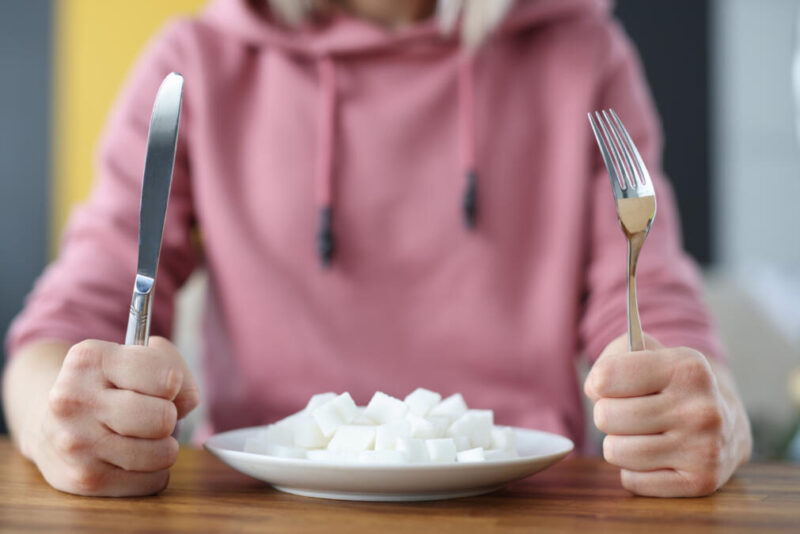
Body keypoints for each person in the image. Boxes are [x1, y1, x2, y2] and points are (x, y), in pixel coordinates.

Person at [2, 0, 751, 497]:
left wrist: (707, 405)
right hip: (260, 511)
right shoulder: (198, 60)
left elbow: (660, 308)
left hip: (528, 509)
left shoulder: (584, 54)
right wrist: (55, 415)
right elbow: (71, 321)